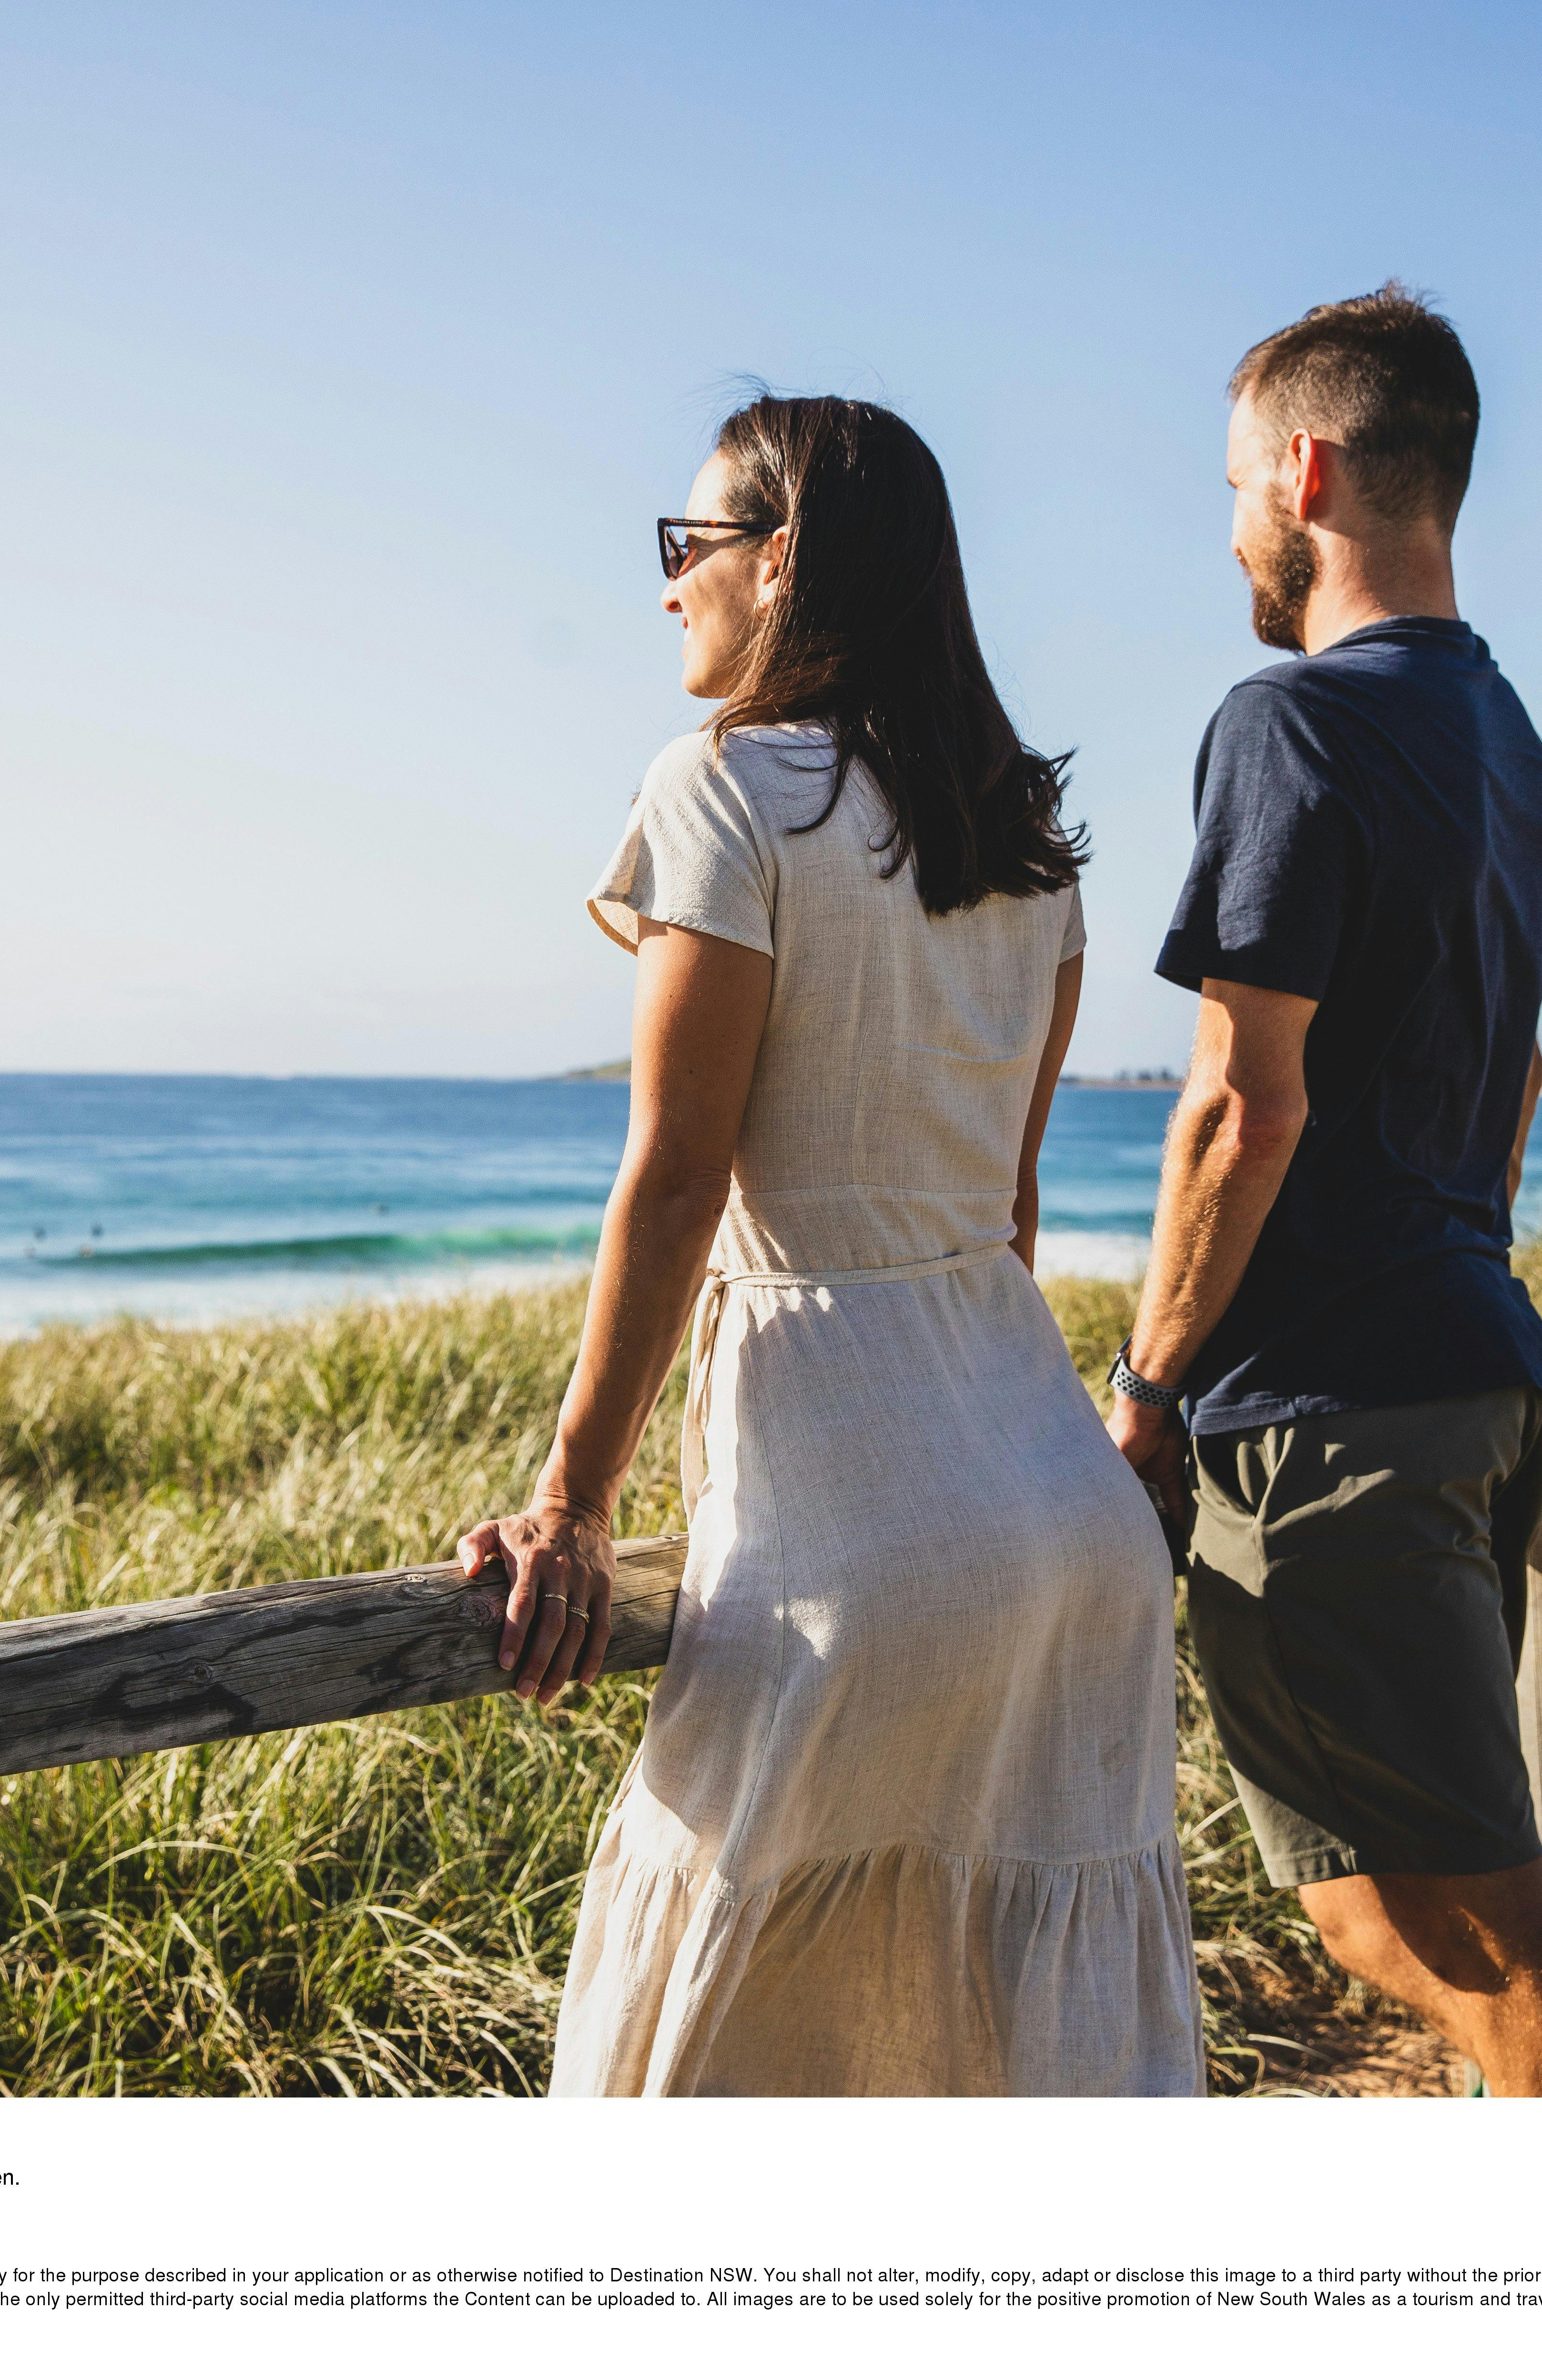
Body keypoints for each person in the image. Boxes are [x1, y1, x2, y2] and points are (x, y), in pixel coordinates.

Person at [459, 394, 1203, 2097]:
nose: (671, 585)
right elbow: (1006, 1210)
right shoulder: (1021, 839)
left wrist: (572, 1499)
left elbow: (678, 1177)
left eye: (693, 543)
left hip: (847, 1532)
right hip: (1065, 1531)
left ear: (779, 559)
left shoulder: (726, 790)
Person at [1107, 285, 1542, 2097]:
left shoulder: (1292, 721)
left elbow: (1238, 1107)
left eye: (1233, 485)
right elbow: (1516, 1079)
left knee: (1485, 1933)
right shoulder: (1514, 744)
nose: (1231, 530)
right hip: (1477, 1374)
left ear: (1306, 470)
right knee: (1382, 1906)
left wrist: (1146, 1386)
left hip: (1334, 1413)